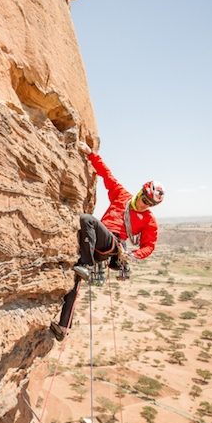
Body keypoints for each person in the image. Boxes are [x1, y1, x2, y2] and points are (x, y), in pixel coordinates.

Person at [50, 142, 164, 341]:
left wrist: (132, 255)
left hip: (112, 244)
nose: (144, 204)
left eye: (149, 203)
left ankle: (86, 263)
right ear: (141, 192)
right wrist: (91, 155)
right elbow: (106, 174)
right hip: (96, 242)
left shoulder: (149, 221)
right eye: (144, 199)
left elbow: (149, 246)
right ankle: (63, 327)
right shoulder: (122, 196)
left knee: (87, 220)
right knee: (75, 280)